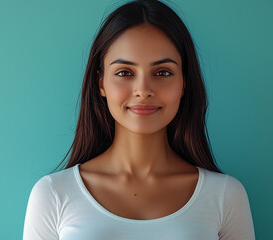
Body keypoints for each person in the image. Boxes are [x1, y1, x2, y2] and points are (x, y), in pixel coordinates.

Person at [23, 0, 255, 239]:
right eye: (125, 73)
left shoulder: (225, 195)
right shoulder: (53, 195)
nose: (143, 90)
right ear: (100, 83)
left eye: (162, 72)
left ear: (184, 82)